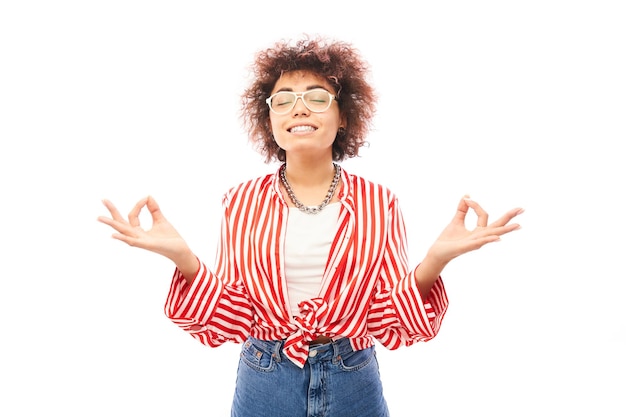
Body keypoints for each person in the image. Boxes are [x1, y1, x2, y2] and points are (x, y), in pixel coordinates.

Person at [98, 35, 523, 417]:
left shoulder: (379, 202)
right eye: (282, 99)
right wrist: (185, 260)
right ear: (269, 121)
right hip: (265, 377)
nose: (298, 107)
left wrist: (435, 260)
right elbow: (235, 318)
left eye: (317, 97)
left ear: (343, 116)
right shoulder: (240, 202)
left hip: (353, 375)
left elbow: (388, 321)